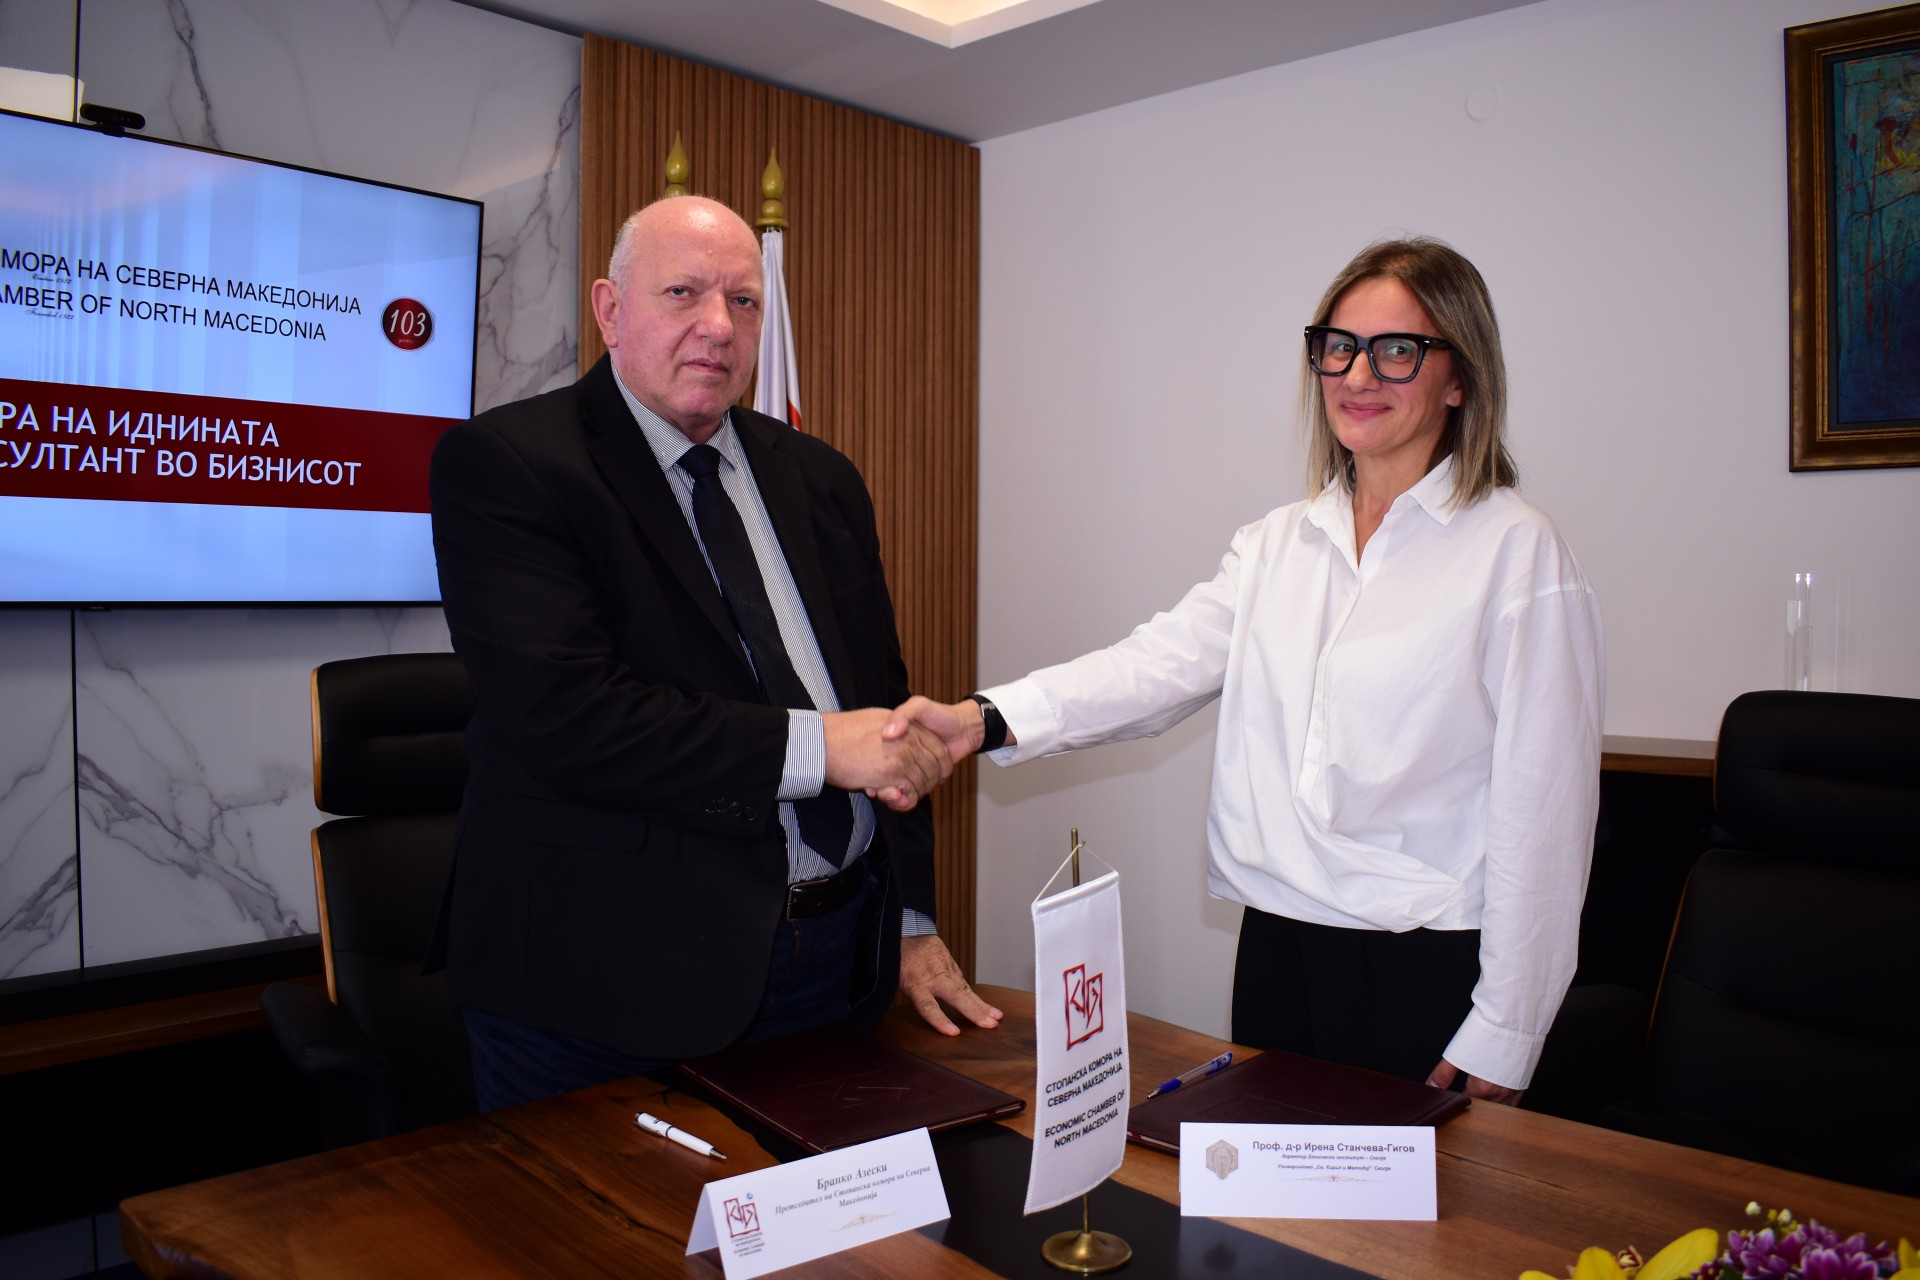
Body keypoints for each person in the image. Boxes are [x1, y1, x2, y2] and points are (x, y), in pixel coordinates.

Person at [889, 237, 1602, 1104]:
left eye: (1396, 350)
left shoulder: (1518, 553)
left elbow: (1546, 816)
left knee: (1415, 1200)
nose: (1358, 375)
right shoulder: (1277, 544)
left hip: (1422, 971)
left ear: (1460, 379)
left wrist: (1509, 1028)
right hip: (1278, 950)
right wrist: (981, 718)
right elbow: (1151, 668)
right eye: (1338, 347)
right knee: (1270, 1191)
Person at [428, 195, 1000, 1110]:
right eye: (683, 293)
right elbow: (568, 716)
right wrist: (821, 748)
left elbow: (883, 704)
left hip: (830, 966)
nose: (718, 327)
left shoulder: (820, 477)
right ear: (610, 309)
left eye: (743, 301)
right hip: (600, 992)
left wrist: (910, 917)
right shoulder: (510, 463)